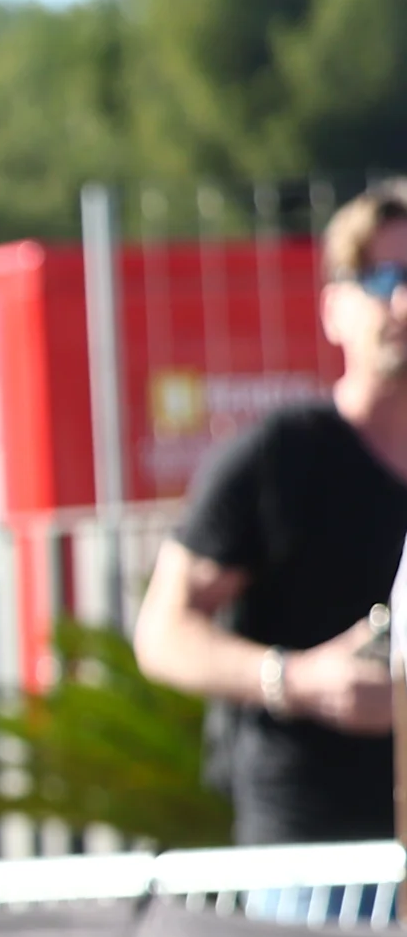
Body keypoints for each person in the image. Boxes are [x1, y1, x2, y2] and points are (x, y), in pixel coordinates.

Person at [134, 186, 407, 845]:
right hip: (314, 862)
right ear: (333, 310)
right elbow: (161, 633)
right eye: (383, 278)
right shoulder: (285, 455)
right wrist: (299, 679)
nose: (404, 303)